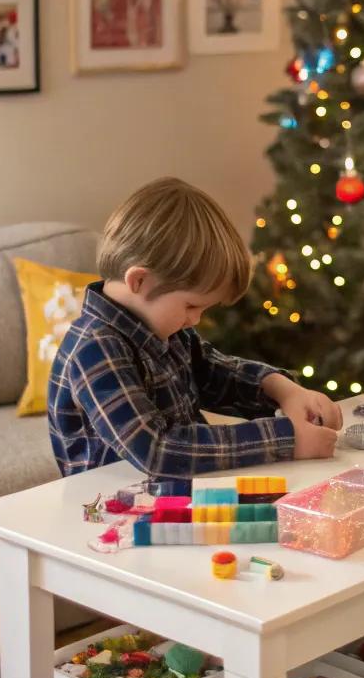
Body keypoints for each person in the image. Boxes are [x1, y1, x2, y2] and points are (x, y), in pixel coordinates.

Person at [49, 177, 341, 478]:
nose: (196, 320)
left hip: (176, 493)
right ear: (139, 281)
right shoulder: (95, 347)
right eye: (191, 306)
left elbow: (218, 373)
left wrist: (285, 390)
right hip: (110, 511)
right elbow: (158, 450)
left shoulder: (167, 330)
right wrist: (287, 439)